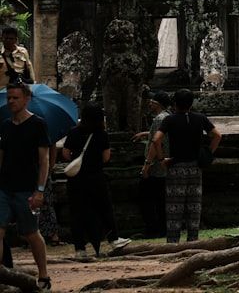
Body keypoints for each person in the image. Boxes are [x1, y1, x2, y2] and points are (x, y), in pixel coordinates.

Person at [151, 89, 221, 244]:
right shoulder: (200, 118)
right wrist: (208, 153)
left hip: (176, 166)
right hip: (195, 167)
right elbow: (217, 135)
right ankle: (193, 240)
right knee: (194, 205)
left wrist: (162, 159)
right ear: (191, 103)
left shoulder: (170, 120)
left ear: (175, 103)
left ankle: (173, 242)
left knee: (174, 206)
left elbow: (156, 140)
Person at [0, 82, 50, 289]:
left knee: (31, 233)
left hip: (26, 189)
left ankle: (44, 275)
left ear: (26, 99)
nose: (11, 101)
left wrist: (39, 190)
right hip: (3, 187)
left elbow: (44, 159)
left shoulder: (38, 124)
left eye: (15, 98)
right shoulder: (4, 125)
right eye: (9, 98)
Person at [61, 103, 124, 260]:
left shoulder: (74, 132)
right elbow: (106, 157)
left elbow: (66, 154)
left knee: (77, 213)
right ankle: (113, 238)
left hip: (76, 180)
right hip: (96, 177)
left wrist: (78, 158)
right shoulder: (101, 134)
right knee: (104, 209)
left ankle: (79, 248)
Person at [132, 91, 171, 238]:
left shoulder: (160, 119)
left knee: (147, 199)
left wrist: (146, 165)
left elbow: (156, 143)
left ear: (157, 104)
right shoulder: (167, 116)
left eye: (152, 102)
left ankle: (153, 229)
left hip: (156, 167)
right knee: (160, 199)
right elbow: (157, 135)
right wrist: (145, 134)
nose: (149, 103)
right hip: (163, 166)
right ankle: (160, 229)